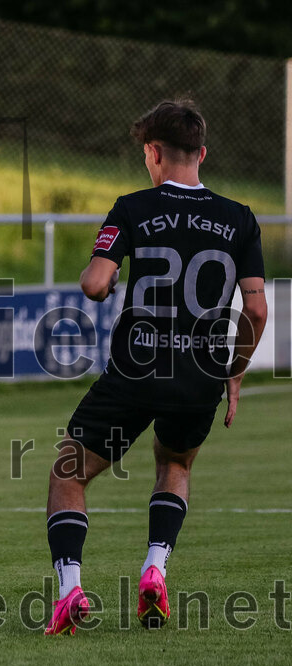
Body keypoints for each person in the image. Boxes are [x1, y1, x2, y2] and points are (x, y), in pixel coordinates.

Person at [43, 100, 268, 634]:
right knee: (176, 466)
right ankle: (154, 569)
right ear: (202, 154)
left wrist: (100, 275)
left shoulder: (133, 207)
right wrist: (235, 370)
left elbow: (96, 284)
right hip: (199, 378)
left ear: (153, 152)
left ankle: (71, 590)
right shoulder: (240, 219)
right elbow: (256, 309)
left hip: (135, 371)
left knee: (68, 473)